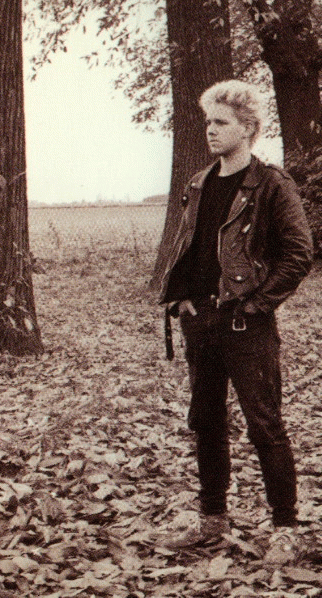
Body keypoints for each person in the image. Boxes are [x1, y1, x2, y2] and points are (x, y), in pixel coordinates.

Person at [159, 81, 313, 564]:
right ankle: (212, 520)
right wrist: (180, 297)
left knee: (264, 424)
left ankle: (285, 528)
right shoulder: (199, 182)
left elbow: (299, 254)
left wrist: (256, 305)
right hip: (201, 321)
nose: (210, 129)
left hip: (247, 325)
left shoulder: (272, 185)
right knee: (205, 422)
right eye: (208, 121)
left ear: (247, 128)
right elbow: (190, 247)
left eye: (221, 122)